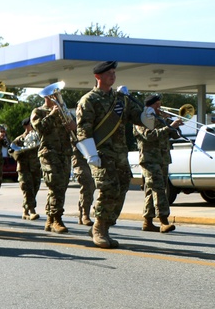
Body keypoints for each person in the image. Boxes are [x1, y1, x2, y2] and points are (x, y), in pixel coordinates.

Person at [75, 60, 146, 249]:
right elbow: (83, 131)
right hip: (101, 153)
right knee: (108, 190)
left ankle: (105, 225)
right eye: (109, 74)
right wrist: (91, 155)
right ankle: (99, 228)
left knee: (121, 189)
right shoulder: (89, 100)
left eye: (114, 73)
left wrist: (146, 111)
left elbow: (138, 118)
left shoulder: (120, 99)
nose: (113, 76)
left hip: (120, 154)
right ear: (98, 77)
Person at [134, 94, 182, 233]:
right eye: (157, 105)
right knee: (159, 188)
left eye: (160, 104)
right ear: (149, 106)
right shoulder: (142, 119)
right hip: (149, 159)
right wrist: (168, 127)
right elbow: (149, 136)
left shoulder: (160, 119)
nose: (159, 107)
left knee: (151, 190)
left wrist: (173, 124)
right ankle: (163, 220)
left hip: (163, 158)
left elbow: (175, 136)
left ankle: (147, 221)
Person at [31, 94, 76, 233]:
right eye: (53, 95)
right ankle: (57, 219)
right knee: (55, 184)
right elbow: (40, 129)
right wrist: (52, 114)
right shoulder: (38, 112)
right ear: (46, 96)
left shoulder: (64, 112)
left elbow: (75, 129)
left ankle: (50, 219)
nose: (56, 97)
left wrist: (73, 126)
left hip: (65, 153)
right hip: (48, 153)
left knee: (61, 187)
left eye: (58, 95)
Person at [11, 119, 41, 220]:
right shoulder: (20, 139)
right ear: (25, 126)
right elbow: (12, 151)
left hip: (35, 167)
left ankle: (25, 211)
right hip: (24, 168)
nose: (32, 126)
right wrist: (23, 151)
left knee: (35, 188)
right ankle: (32, 211)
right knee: (27, 188)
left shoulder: (37, 137)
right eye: (30, 125)